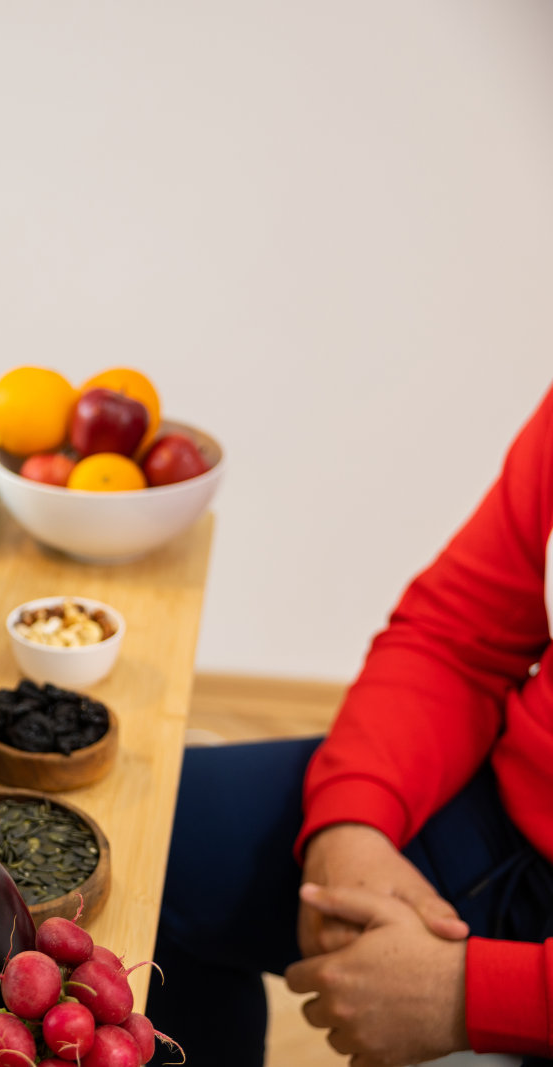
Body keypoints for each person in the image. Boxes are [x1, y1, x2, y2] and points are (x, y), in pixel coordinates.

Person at [149, 389, 553, 1066]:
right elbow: (460, 639)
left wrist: (481, 997)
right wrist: (351, 825)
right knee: (141, 844)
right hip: (506, 822)